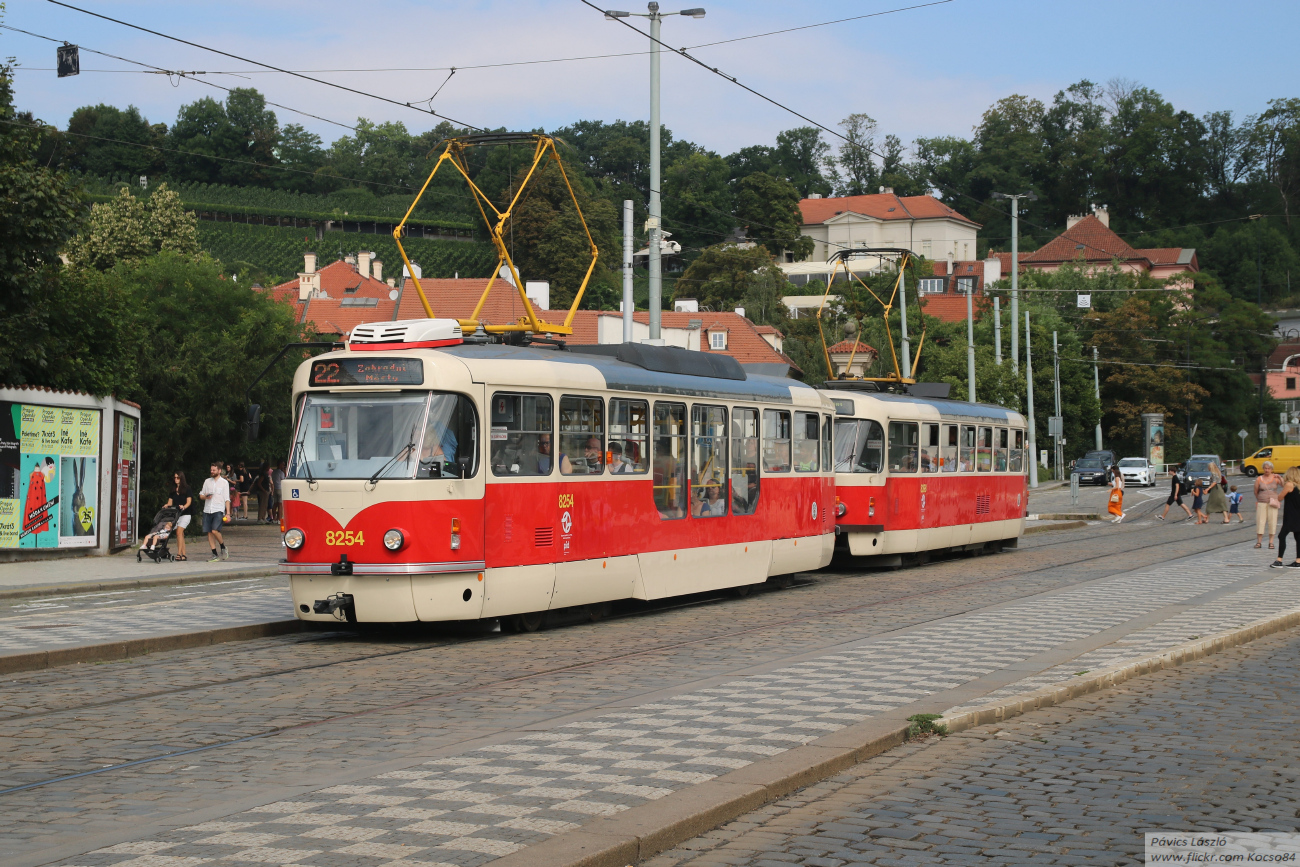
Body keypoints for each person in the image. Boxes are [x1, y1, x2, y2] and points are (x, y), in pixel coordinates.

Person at [199, 461, 231, 561]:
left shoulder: (224, 483)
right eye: (211, 470)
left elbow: (227, 499)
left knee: (215, 530)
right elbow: (201, 495)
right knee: (209, 532)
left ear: (219, 470)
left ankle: (223, 547)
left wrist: (228, 513)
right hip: (207, 510)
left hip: (218, 510)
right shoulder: (207, 481)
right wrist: (205, 497)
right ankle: (214, 554)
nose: (212, 471)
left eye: (214, 470)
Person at [1270, 467, 1300, 567]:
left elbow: (1280, 497)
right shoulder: (1298, 485)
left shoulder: (1289, 484)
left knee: (1281, 536)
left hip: (1291, 515)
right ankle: (1298, 561)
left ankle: (1279, 560)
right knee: (1298, 537)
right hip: (1298, 514)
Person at [1254, 461, 1283, 549]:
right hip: (1262, 502)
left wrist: (1280, 478)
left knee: (1272, 521)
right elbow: (1256, 491)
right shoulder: (1259, 479)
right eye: (1265, 468)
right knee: (1260, 521)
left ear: (1271, 469)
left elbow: (1284, 485)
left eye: (1268, 468)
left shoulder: (1275, 478)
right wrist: (1259, 499)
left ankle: (1271, 542)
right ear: (1263, 469)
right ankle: (1259, 542)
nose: (1267, 470)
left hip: (1273, 502)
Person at [166, 471, 193, 561]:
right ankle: (184, 554)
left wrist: (184, 506)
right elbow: (170, 502)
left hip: (185, 514)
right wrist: (167, 505)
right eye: (175, 478)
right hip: (177, 514)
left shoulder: (187, 488)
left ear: (182, 478)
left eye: (178, 478)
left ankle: (178, 553)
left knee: (179, 532)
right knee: (180, 534)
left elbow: (189, 501)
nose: (176, 479)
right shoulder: (173, 489)